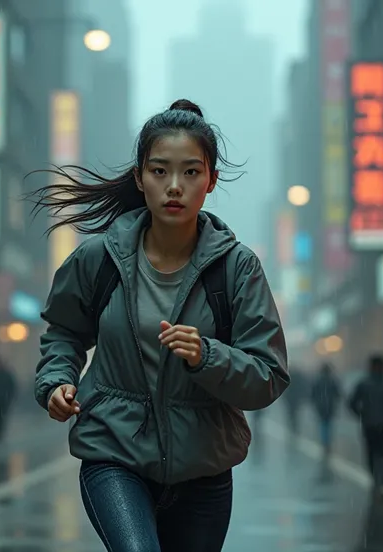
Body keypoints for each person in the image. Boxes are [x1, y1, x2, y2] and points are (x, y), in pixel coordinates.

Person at [32, 99, 289, 552]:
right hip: (113, 455)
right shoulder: (100, 259)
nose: (175, 187)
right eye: (159, 171)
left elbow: (267, 376)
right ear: (139, 178)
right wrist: (55, 381)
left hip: (204, 470)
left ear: (211, 180)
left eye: (191, 172)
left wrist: (207, 355)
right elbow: (64, 333)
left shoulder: (237, 268)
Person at [348, 355, 383, 493]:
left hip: (369, 424)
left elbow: (352, 403)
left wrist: (361, 414)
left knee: (371, 451)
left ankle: (375, 476)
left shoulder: (364, 383)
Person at [310, 363, 341, 456]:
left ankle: (325, 442)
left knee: (323, 424)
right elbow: (338, 393)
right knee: (328, 424)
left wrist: (315, 402)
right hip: (330, 406)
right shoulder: (332, 380)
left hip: (321, 407)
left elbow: (313, 394)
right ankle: (327, 442)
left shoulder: (318, 380)